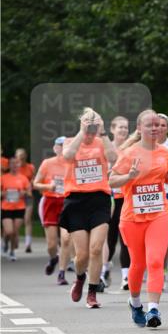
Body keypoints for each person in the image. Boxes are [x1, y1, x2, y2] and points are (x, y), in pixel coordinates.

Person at [110, 109, 168, 328]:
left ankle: (153, 309)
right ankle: (135, 303)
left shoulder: (164, 152)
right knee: (138, 264)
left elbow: (166, 176)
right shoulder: (129, 153)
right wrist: (129, 176)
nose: (154, 128)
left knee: (155, 261)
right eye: (149, 125)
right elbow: (112, 180)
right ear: (139, 128)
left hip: (159, 212)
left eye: (157, 125)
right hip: (132, 216)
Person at [60, 108, 117, 308]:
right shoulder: (70, 141)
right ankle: (79, 278)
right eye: (88, 122)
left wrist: (103, 132)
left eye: (94, 122)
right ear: (81, 123)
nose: (91, 126)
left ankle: (92, 293)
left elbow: (113, 158)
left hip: (99, 199)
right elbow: (68, 156)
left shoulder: (102, 142)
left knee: (96, 249)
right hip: (76, 201)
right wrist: (82, 131)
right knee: (82, 255)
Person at [32, 136, 71, 277]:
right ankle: (54, 258)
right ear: (55, 148)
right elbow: (35, 183)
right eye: (60, 146)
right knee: (52, 244)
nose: (63, 148)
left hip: (67, 202)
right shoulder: (47, 163)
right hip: (50, 202)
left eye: (66, 146)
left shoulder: (73, 163)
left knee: (66, 239)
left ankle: (62, 272)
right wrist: (48, 186)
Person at [102, 115, 130, 288]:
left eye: (126, 127)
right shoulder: (105, 148)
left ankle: (126, 276)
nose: (123, 130)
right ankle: (104, 270)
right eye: (120, 127)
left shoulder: (131, 149)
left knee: (126, 237)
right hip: (108, 196)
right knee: (109, 237)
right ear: (112, 129)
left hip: (125, 197)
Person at [1, 157, 31, 260]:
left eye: (16, 163)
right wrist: (2, 194)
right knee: (9, 231)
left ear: (18, 165)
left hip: (19, 208)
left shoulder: (23, 178)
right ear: (9, 165)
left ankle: (12, 251)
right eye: (12, 163)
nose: (14, 165)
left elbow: (29, 193)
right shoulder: (3, 178)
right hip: (6, 208)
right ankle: (5, 242)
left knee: (14, 232)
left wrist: (24, 193)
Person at [13, 148, 35, 252]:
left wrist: (30, 186)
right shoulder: (14, 168)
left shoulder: (30, 167)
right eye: (19, 155)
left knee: (27, 219)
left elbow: (34, 180)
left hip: (28, 196)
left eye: (22, 155)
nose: (21, 157)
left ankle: (28, 244)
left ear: (26, 156)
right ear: (16, 157)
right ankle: (15, 239)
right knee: (16, 220)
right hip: (16, 196)